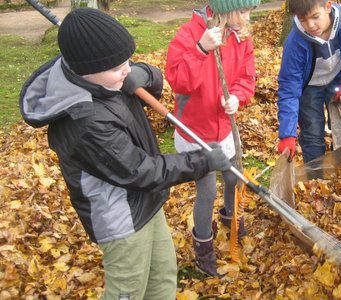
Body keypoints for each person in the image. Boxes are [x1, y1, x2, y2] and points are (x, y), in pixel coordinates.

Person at [19, 8, 231, 299]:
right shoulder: (85, 121)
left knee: (162, 278)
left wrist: (142, 74)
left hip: (146, 202)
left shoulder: (104, 77)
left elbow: (151, 77)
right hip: (120, 218)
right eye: (118, 68)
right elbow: (139, 170)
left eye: (126, 62)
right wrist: (202, 161)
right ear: (86, 72)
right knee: (128, 290)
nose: (126, 70)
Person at [165, 0, 258, 277]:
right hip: (196, 131)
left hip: (225, 126)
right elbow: (179, 81)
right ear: (224, 8)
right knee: (207, 191)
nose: (246, 17)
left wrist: (237, 97)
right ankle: (203, 249)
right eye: (242, 10)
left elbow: (246, 76)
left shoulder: (240, 34)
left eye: (249, 11)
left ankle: (232, 221)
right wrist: (201, 49)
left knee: (233, 176)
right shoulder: (189, 35)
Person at [276, 0, 341, 163]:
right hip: (309, 87)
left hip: (337, 80)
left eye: (315, 17)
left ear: (327, 7)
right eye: (303, 19)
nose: (310, 25)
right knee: (312, 133)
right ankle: (316, 179)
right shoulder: (294, 44)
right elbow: (289, 89)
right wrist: (287, 134)